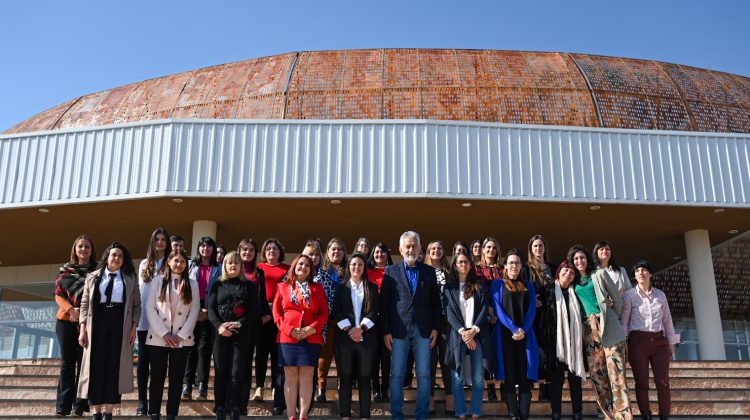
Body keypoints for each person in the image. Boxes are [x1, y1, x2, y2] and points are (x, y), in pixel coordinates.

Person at [380, 231, 441, 420]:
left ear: (420, 248)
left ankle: (421, 415)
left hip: (423, 330)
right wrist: (386, 331)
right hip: (398, 330)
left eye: (414, 245)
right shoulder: (391, 272)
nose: (410, 249)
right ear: (400, 249)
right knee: (397, 374)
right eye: (407, 246)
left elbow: (436, 304)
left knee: (423, 374)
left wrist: (435, 328)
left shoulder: (429, 272)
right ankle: (396, 415)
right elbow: (384, 304)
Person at [77, 242, 140, 420]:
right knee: (96, 365)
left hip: (120, 322)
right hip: (97, 322)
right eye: (113, 255)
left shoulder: (130, 278)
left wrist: (133, 327)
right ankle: (96, 411)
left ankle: (109, 411)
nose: (116, 258)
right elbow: (84, 304)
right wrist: (82, 328)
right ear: (107, 257)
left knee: (114, 365)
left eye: (120, 256)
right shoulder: (93, 277)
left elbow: (136, 305)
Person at [568, 244, 632, 420]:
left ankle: (624, 416)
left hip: (609, 325)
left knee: (617, 374)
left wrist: (610, 314)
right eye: (575, 259)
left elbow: (618, 301)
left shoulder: (599, 274)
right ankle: (606, 415)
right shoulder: (572, 282)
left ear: (587, 259)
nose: (579, 261)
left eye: (582, 257)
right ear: (572, 263)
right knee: (598, 376)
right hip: (589, 331)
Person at [145, 249, 200, 420]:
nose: (179, 264)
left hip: (181, 340)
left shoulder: (192, 284)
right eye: (176, 260)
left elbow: (194, 310)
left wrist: (181, 335)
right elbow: (149, 308)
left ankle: (171, 414)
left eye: (183, 261)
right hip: (158, 338)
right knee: (157, 377)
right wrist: (164, 333)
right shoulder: (157, 282)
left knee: (176, 379)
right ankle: (154, 413)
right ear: (168, 262)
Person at [621, 260, 679, 420]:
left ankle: (664, 415)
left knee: (663, 381)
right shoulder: (629, 295)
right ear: (634, 275)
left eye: (644, 270)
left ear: (650, 274)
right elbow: (624, 321)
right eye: (637, 270)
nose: (641, 273)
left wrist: (671, 342)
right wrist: (624, 343)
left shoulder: (660, 295)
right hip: (637, 343)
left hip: (660, 343)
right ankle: (646, 415)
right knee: (642, 383)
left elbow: (667, 319)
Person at [273, 254, 329, 420]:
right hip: (288, 337)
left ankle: (303, 416)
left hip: (310, 338)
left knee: (306, 376)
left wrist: (311, 329)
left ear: (311, 269)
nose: (303, 267)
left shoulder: (318, 288)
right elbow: (276, 313)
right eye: (300, 264)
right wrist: (289, 330)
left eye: (307, 265)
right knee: (290, 377)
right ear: (294, 267)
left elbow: (324, 313)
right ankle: (291, 416)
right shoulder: (282, 286)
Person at [208, 251, 260, 420]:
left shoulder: (249, 286)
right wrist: (219, 326)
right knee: (221, 371)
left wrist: (240, 323)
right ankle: (221, 406)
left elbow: (254, 310)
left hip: (241, 334)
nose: (233, 265)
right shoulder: (217, 285)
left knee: (237, 372)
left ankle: (236, 407)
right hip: (221, 334)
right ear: (224, 265)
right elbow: (211, 309)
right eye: (229, 263)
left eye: (236, 263)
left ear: (241, 266)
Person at [443, 249, 490, 420]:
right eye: (460, 262)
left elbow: (485, 309)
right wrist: (463, 332)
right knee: (457, 377)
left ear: (471, 265)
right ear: (455, 266)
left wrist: (473, 331)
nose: (463, 264)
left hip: (477, 333)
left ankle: (476, 412)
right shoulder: (448, 288)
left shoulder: (479, 286)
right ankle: (461, 413)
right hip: (458, 335)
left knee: (477, 377)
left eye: (466, 262)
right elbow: (448, 312)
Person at [492, 248, 539, 420]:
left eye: (517, 263)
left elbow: (532, 310)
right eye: (510, 262)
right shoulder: (497, 284)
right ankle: (513, 415)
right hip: (505, 336)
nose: (514, 265)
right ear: (505, 266)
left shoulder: (529, 285)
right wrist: (513, 329)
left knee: (525, 376)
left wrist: (522, 330)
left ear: (521, 266)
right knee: (509, 376)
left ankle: (524, 416)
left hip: (525, 337)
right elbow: (498, 309)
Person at [332, 252, 379, 419]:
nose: (356, 267)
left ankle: (365, 416)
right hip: (345, 340)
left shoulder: (372, 288)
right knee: (345, 377)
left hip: (366, 340)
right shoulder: (341, 288)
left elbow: (374, 311)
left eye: (360, 264)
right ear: (348, 267)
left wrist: (361, 328)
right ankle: (345, 415)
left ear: (364, 267)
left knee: (365, 378)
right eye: (353, 264)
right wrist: (350, 330)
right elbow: (336, 311)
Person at [54, 235, 97, 416]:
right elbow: (58, 295)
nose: (83, 249)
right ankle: (63, 407)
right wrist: (71, 310)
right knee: (67, 363)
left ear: (91, 250)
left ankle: (79, 406)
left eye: (87, 246)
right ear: (75, 249)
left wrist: (83, 314)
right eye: (80, 246)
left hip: (87, 322)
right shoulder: (65, 271)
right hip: (65, 321)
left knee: (83, 363)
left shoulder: (98, 271)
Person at [539, 261, 585, 420]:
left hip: (575, 343)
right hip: (554, 343)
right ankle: (556, 412)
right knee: (556, 381)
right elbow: (540, 315)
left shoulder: (577, 292)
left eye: (572, 273)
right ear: (558, 271)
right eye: (565, 271)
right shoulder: (547, 290)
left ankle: (577, 412)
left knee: (575, 381)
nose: (568, 274)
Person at [137, 227, 172, 415]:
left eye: (163, 239)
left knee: (159, 366)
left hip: (163, 321)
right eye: (157, 239)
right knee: (143, 363)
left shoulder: (171, 263)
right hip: (144, 321)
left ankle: (155, 404)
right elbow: (140, 292)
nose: (160, 242)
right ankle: (142, 401)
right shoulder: (144, 264)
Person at [182, 236, 221, 401]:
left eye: (209, 246)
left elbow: (220, 290)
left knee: (204, 348)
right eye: (203, 246)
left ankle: (202, 384)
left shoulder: (219, 268)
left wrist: (207, 310)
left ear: (213, 249)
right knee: (190, 347)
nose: (205, 249)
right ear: (198, 248)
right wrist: (194, 309)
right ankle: (187, 385)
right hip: (191, 308)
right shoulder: (191, 265)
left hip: (210, 309)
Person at [256, 238, 291, 415]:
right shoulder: (259, 268)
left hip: (281, 317)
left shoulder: (287, 269)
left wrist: (275, 308)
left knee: (278, 355)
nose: (271, 251)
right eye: (268, 249)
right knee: (261, 353)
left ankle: (278, 389)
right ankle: (260, 387)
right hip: (262, 316)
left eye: (275, 249)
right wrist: (265, 309)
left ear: (280, 252)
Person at [236, 239, 271, 409]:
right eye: (244, 249)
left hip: (252, 324)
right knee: (234, 362)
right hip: (233, 324)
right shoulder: (233, 268)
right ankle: (228, 400)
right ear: (239, 250)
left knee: (247, 362)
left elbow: (262, 297)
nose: (247, 253)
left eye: (251, 250)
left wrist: (265, 314)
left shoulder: (258, 272)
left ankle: (242, 403)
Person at [424, 240, 454, 414]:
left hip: (447, 322)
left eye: (439, 248)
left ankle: (450, 402)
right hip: (427, 322)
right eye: (433, 248)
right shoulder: (423, 271)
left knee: (446, 361)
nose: (436, 250)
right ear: (428, 252)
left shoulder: (450, 272)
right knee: (429, 363)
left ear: (443, 252)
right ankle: (430, 403)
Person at [317, 238, 347, 402]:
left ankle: (342, 389)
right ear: (327, 252)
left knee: (343, 356)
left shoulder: (349, 270)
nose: (336, 252)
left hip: (344, 321)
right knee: (324, 355)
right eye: (333, 249)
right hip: (325, 319)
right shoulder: (321, 272)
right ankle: (321, 390)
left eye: (340, 249)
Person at [527, 234, 553, 402]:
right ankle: (530, 386)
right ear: (531, 249)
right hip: (533, 316)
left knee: (547, 351)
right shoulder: (526, 268)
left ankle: (545, 389)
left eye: (540, 245)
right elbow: (521, 288)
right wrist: (530, 298)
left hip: (549, 315)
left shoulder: (552, 267)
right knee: (534, 350)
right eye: (535, 246)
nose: (538, 248)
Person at [367, 242, 393, 402]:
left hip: (388, 319)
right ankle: (375, 389)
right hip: (370, 320)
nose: (380, 255)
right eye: (377, 252)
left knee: (387, 356)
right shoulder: (368, 271)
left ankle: (386, 389)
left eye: (383, 252)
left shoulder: (393, 272)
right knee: (373, 356)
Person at [476, 237, 502, 401]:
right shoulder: (476, 269)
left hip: (502, 314)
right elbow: (477, 292)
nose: (491, 250)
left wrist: (499, 312)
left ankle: (505, 387)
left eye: (494, 247)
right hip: (483, 314)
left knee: (500, 352)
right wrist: (489, 311)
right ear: (483, 250)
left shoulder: (503, 269)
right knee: (486, 353)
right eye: (488, 247)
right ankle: (490, 387)